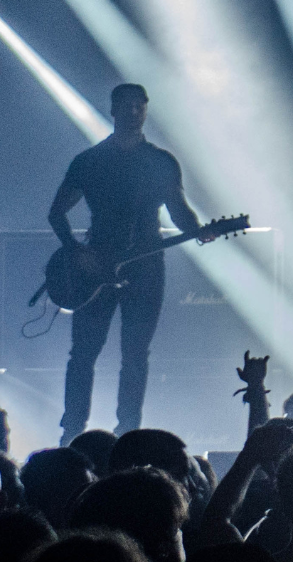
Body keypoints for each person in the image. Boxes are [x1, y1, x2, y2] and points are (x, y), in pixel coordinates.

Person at [49, 83, 207, 442]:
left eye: (140, 106)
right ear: (113, 109)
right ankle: (73, 432)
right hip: (95, 268)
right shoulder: (89, 161)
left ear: (146, 110)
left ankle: (128, 432)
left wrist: (200, 230)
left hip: (146, 267)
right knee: (84, 352)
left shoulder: (161, 161)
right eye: (127, 105)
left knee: (135, 354)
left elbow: (180, 211)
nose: (134, 111)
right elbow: (56, 212)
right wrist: (76, 251)